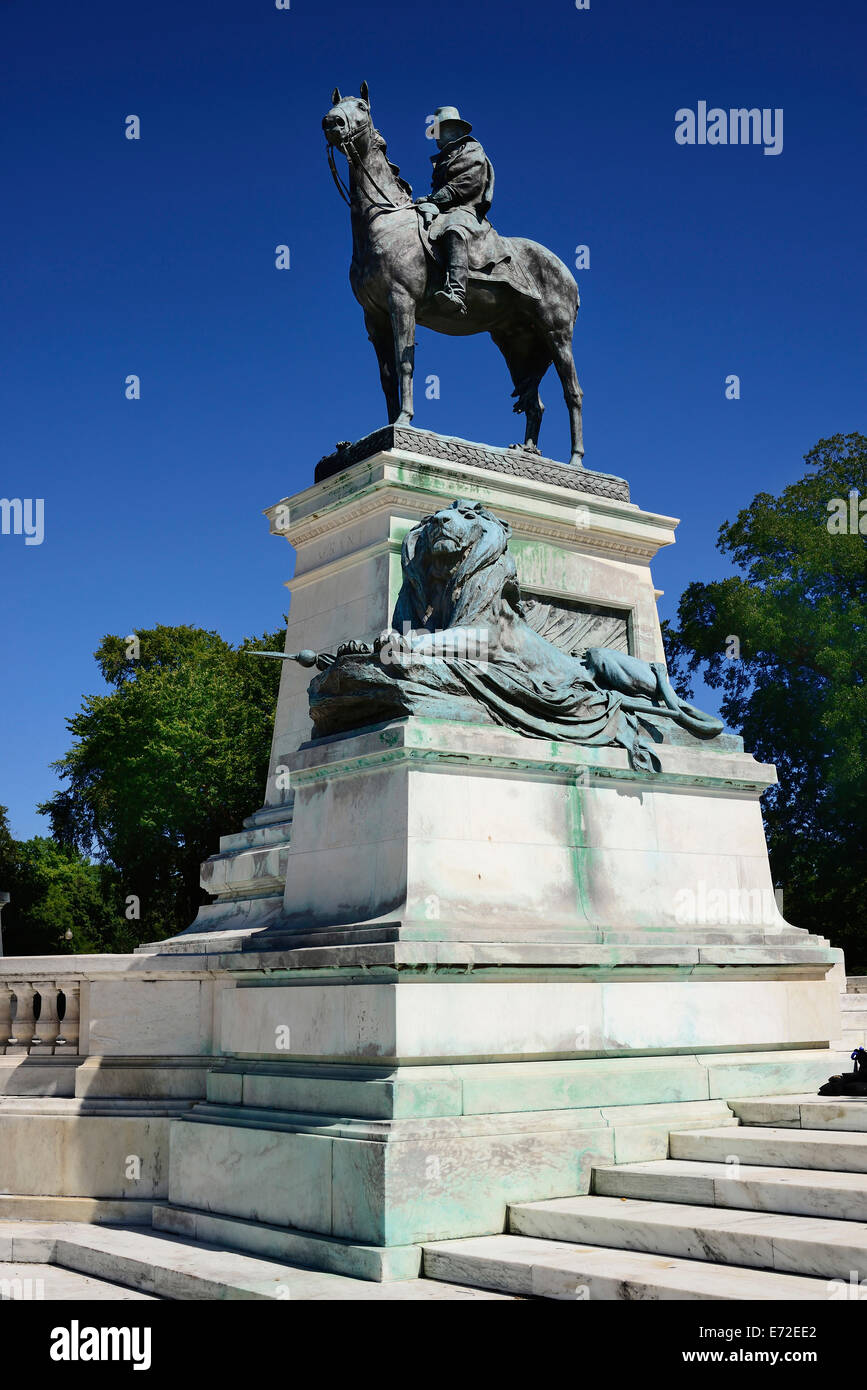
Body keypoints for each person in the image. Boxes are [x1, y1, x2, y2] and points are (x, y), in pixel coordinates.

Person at [416, 106, 494, 315]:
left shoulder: (472, 151)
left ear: (458, 131)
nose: (437, 137)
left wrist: (434, 199)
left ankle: (456, 292)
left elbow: (467, 184)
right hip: (445, 210)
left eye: (442, 131)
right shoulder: (443, 159)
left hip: (466, 210)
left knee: (454, 231)